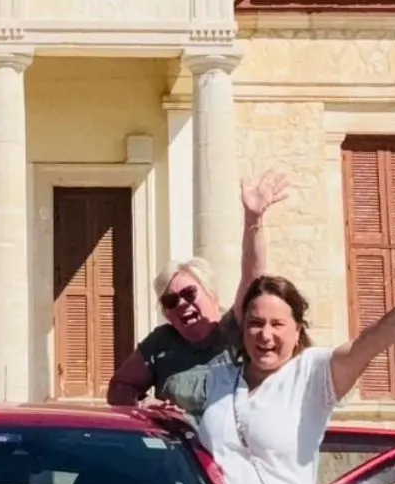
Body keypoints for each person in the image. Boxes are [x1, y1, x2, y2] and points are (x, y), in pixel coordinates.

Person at [192, 269, 395, 484]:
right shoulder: (220, 379)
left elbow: (364, 347)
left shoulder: (312, 374)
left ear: (297, 331)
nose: (265, 335)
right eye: (256, 323)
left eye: (277, 324)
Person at [107, 172, 291, 407]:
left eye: (189, 294)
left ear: (211, 292)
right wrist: (141, 403)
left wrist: (253, 220)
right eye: (171, 301)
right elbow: (119, 387)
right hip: (178, 443)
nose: (181, 304)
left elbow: (252, 276)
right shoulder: (161, 344)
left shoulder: (235, 327)